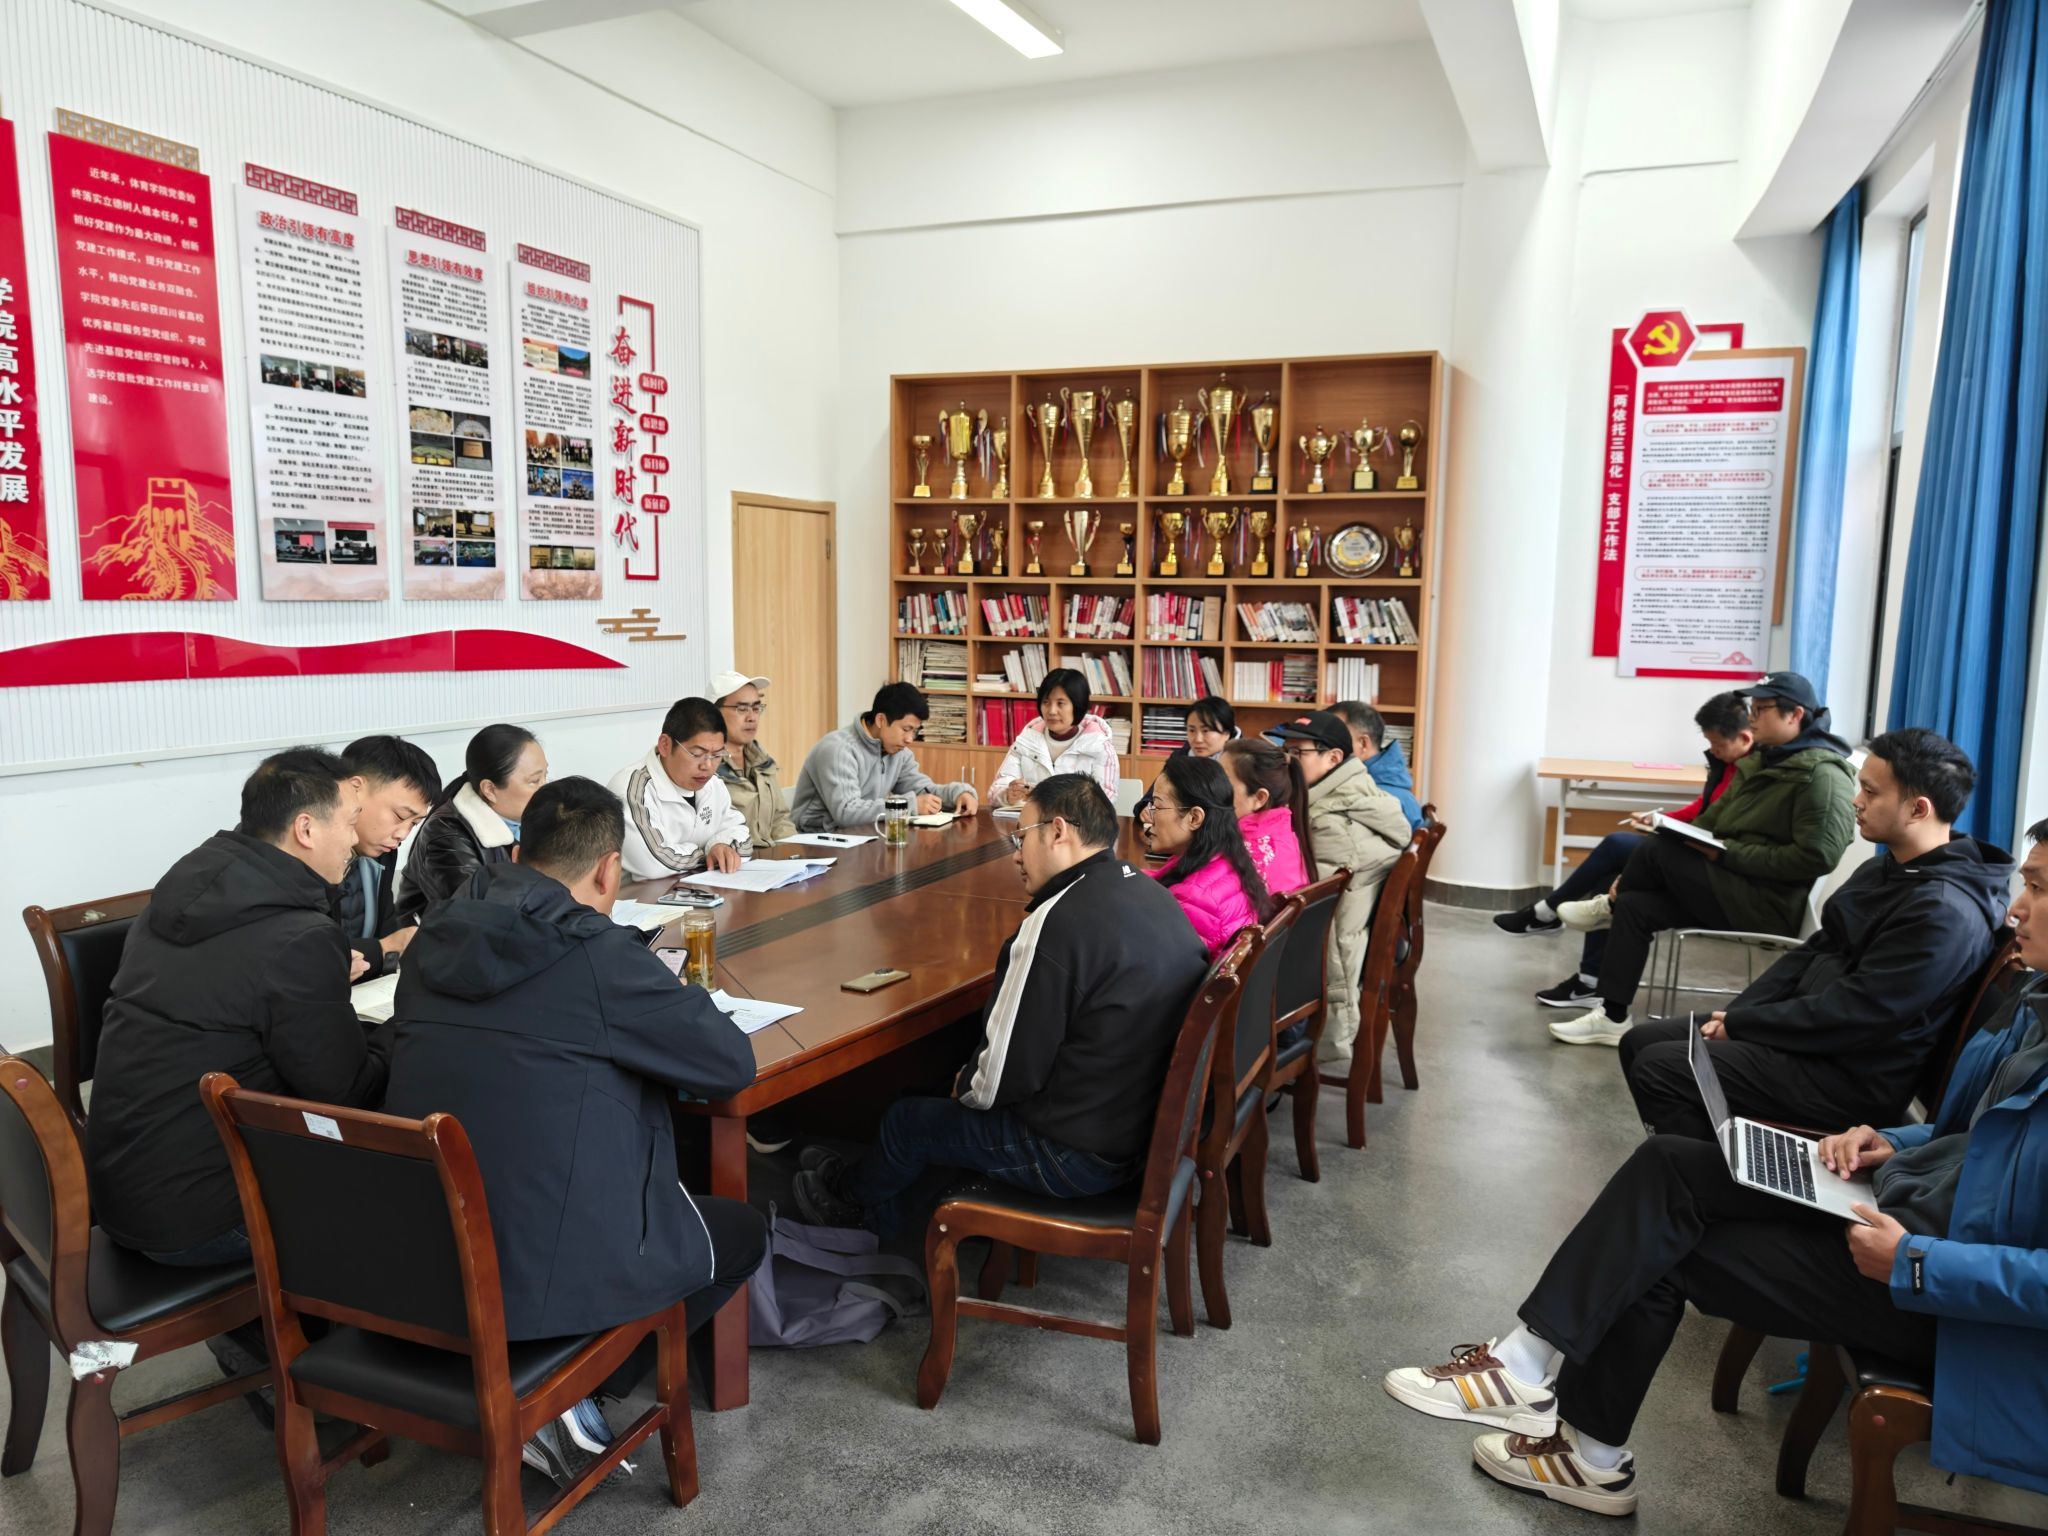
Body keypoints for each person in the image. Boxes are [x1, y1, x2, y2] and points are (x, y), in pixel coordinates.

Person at [1380, 819, 2048, 1521]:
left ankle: (1580, 1444)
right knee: (1669, 1170)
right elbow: (1971, 1136)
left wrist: (1916, 1264)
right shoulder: (2036, 1003)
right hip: (1910, 1215)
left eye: (2036, 888)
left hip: (1960, 1311)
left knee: (1660, 1239)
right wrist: (1895, 1141)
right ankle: (1531, 1371)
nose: (2016, 908)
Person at [382, 777, 764, 1488]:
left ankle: (555, 1386)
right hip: (538, 1275)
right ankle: (567, 1392)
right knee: (741, 1231)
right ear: (609, 870)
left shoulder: (435, 937)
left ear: (517, 854)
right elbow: (729, 1065)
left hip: (422, 1253)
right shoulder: (597, 955)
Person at [791, 774, 1208, 1236]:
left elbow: (995, 1084)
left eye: (1021, 837)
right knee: (941, 1095)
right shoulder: (1150, 892)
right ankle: (886, 1197)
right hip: (1134, 1133)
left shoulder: (1055, 924)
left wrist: (963, 1086)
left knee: (909, 1120)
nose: (1016, 855)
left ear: (1057, 831)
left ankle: (855, 1213)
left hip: (1072, 1156)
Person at [1616, 729, 2009, 1135]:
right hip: (1812, 1039)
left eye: (1871, 792)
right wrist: (1737, 1017)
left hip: (1847, 1078)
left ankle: (1699, 1165)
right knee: (1639, 1042)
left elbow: (1857, 1015)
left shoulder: (1943, 912)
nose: (1856, 801)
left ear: (1918, 809)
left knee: (1661, 1067)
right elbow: (1811, 953)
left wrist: (1745, 1028)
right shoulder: (1886, 867)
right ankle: (1695, 1152)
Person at [86, 748, 390, 1266]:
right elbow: (345, 1091)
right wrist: (405, 1028)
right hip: (201, 1220)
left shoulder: (183, 890)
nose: (354, 840)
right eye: (349, 821)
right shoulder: (296, 938)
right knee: (408, 1181)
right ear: (306, 829)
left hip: (123, 1186)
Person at [1548, 672, 1856, 1047]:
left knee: (1654, 851)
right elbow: (1713, 820)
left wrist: (1727, 853)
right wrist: (1685, 834)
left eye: (1761, 709)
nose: (1752, 718)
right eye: (1752, 708)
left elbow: (1816, 857)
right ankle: (1612, 1018)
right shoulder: (1764, 760)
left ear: (1795, 715)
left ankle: (1605, 906)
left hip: (1765, 905)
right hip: (1731, 887)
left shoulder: (1822, 776)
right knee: (1635, 904)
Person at [1499, 693, 1753, 1011]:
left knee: (1617, 845)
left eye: (1718, 744)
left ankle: (1546, 913)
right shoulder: (1729, 764)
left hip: (1712, 866)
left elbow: (1723, 824)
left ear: (1745, 737)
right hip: (1697, 852)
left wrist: (1673, 827)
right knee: (1608, 876)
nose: (1713, 750)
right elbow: (1706, 807)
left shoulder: (1754, 773)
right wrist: (1662, 819)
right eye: (1710, 743)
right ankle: (1589, 981)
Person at [1264, 712, 1412, 1065]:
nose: (1286, 761)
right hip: (1332, 949)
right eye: (1285, 751)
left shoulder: (1330, 824)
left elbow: (1301, 903)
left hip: (1317, 972)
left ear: (1333, 758)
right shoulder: (1354, 793)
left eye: (1297, 753)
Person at [397, 723, 547, 919]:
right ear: (490, 790)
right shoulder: (445, 836)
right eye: (534, 781)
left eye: (545, 776)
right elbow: (478, 918)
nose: (545, 789)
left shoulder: (534, 820)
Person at [789, 681, 978, 832]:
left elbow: (922, 791)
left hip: (865, 837)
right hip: (817, 842)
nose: (910, 739)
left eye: (914, 731)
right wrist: (908, 805)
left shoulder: (898, 752)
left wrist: (958, 794)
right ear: (881, 720)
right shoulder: (838, 750)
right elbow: (846, 812)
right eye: (906, 729)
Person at [1140, 753, 1277, 958]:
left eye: (1157, 806)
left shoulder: (1194, 899)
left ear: (1194, 818)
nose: (1146, 815)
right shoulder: (1223, 856)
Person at [335, 734, 439, 982]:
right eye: (400, 816)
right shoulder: (307, 856)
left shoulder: (382, 852)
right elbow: (310, 955)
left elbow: (386, 930)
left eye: (414, 823)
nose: (403, 834)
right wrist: (385, 948)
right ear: (355, 789)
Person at [608, 696, 749, 879]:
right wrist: (710, 852)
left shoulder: (713, 784)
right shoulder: (632, 789)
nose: (707, 766)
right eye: (697, 754)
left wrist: (721, 845)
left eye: (717, 755)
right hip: (640, 894)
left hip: (694, 887)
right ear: (665, 745)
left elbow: (743, 839)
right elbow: (655, 863)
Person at [988, 666, 1120, 805]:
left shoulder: (1099, 746)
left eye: (1060, 703)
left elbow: (1105, 801)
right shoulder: (1025, 741)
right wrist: (1007, 795)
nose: (1051, 711)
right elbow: (995, 792)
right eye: (1046, 702)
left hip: (1074, 819)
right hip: (1029, 818)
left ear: (1078, 705)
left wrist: (1055, 802)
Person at [1220, 736, 1315, 897]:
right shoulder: (1284, 832)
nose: (1212, 787)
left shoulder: (1240, 853)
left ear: (1259, 798)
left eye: (1222, 783)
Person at [712, 669, 796, 848]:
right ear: (714, 713)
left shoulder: (760, 759)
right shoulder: (706, 765)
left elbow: (780, 819)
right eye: (742, 709)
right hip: (736, 860)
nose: (752, 718)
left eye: (756, 708)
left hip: (771, 858)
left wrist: (793, 853)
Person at [1134, 695, 1236, 817]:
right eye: (1191, 730)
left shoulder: (1240, 762)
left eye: (1206, 731)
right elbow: (1152, 797)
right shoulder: (1179, 757)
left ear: (1226, 733)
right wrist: (1146, 809)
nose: (1197, 739)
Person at [1330, 700, 1423, 830]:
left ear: (1363, 743)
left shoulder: (1377, 799)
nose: (1326, 748)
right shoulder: (1382, 785)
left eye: (1335, 738)